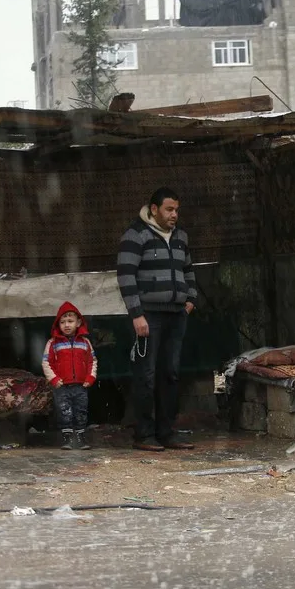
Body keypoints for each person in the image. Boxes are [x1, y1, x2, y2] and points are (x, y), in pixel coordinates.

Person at [117, 187, 197, 452]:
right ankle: (144, 434)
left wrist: (191, 299)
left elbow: (188, 269)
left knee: (170, 374)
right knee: (146, 375)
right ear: (154, 209)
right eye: (169, 209)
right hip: (148, 315)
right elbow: (125, 275)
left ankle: (166, 432)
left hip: (176, 314)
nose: (174, 215)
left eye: (177, 210)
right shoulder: (136, 234)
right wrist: (136, 314)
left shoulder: (181, 236)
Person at [42, 301, 97, 450]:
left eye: (70, 321)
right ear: (58, 324)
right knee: (64, 412)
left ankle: (81, 438)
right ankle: (66, 439)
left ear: (78, 323)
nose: (66, 325)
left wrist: (90, 377)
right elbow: (46, 362)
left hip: (81, 385)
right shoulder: (53, 343)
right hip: (61, 386)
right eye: (63, 322)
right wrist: (54, 379)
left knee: (81, 411)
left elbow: (92, 361)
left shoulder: (85, 342)